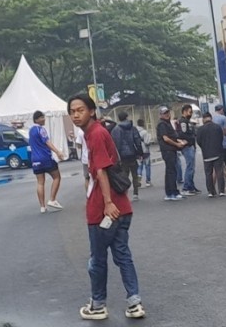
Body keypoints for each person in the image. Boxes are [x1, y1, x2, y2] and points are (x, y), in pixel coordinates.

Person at [68, 94, 145, 321]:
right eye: (72, 111)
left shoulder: (96, 134)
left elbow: (101, 170)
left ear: (92, 111)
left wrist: (107, 203)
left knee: (97, 260)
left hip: (105, 210)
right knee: (122, 255)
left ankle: (98, 304)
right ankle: (134, 302)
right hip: (122, 206)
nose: (75, 115)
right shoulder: (96, 132)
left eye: (80, 110)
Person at [29, 110, 66, 213]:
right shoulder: (41, 129)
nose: (44, 119)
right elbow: (47, 142)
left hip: (35, 160)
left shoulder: (31, 130)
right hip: (45, 158)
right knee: (56, 177)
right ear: (36, 119)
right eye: (41, 117)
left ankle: (42, 206)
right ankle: (52, 199)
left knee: (40, 182)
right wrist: (57, 151)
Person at [110, 111, 143, 202]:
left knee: (124, 175)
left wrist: (117, 156)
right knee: (135, 175)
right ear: (127, 117)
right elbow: (138, 141)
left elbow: (115, 144)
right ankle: (136, 193)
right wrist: (140, 153)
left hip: (122, 156)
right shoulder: (133, 128)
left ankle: (124, 194)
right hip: (132, 154)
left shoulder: (116, 130)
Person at [156, 107, 187, 201]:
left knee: (170, 171)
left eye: (167, 112)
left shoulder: (167, 123)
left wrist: (179, 141)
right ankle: (172, 192)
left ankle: (171, 192)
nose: (167, 114)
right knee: (171, 172)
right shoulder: (162, 124)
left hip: (171, 149)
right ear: (160, 114)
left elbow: (172, 136)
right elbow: (166, 138)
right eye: (164, 113)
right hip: (168, 150)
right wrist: (177, 144)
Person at [196, 112, 226, 197]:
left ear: (203, 119)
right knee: (219, 172)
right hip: (218, 153)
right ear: (211, 118)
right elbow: (221, 138)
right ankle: (221, 191)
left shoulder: (200, 129)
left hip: (206, 155)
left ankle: (211, 192)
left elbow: (198, 141)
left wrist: (204, 148)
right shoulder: (217, 127)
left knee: (208, 173)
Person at [177, 104, 201, 196]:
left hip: (191, 146)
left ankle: (191, 186)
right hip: (187, 147)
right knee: (190, 167)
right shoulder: (183, 121)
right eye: (190, 112)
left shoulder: (187, 121)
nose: (191, 114)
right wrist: (190, 139)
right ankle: (186, 187)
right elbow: (183, 134)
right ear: (184, 111)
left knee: (192, 168)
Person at [135, 119, 152, 187]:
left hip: (138, 151)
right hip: (145, 151)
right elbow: (147, 142)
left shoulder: (135, 131)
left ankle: (138, 181)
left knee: (139, 166)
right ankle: (148, 181)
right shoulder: (145, 132)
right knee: (147, 166)